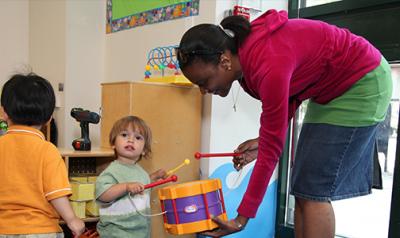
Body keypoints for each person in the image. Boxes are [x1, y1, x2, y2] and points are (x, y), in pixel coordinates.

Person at [176, 9, 392, 238]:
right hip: (330, 88)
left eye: (203, 81)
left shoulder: (266, 62)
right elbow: (292, 92)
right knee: (303, 188)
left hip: (361, 81)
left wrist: (242, 219)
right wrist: (263, 141)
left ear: (224, 61)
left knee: (314, 191)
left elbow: (272, 150)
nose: (203, 91)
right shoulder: (246, 66)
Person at [0, 73, 85, 237]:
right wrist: (72, 219)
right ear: (49, 118)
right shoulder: (48, 151)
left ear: (4, 112)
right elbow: (56, 193)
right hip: (40, 230)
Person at [95, 115, 167, 238]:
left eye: (138, 137)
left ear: (144, 149)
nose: (130, 140)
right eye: (124, 135)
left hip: (140, 233)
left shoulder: (141, 172)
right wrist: (126, 187)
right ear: (113, 143)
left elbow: (141, 187)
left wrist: (153, 177)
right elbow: (102, 194)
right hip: (116, 233)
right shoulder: (112, 171)